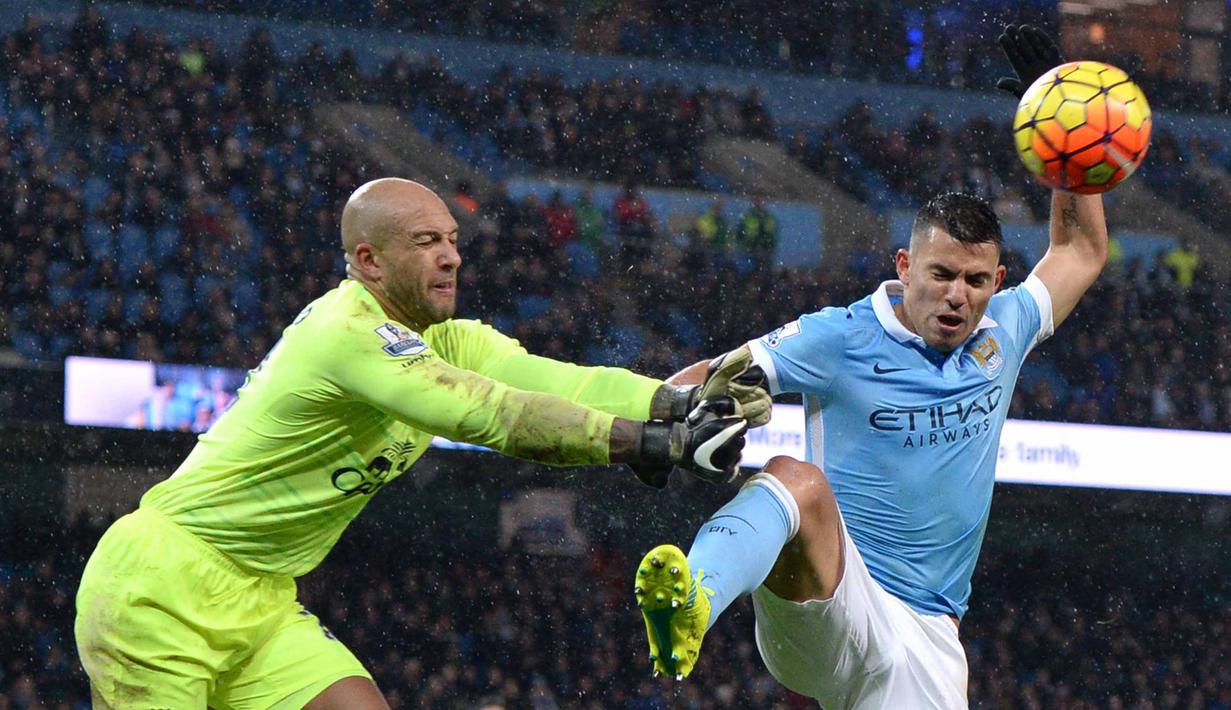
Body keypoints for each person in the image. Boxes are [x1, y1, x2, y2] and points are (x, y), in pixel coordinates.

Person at [74, 178, 765, 709]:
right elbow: (493, 415)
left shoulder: (445, 339)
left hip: (260, 596)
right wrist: (654, 445)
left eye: (453, 239)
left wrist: (676, 403)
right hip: (159, 588)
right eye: (426, 242)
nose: (451, 256)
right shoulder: (344, 334)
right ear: (368, 261)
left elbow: (556, 381)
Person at [633, 26, 1107, 707]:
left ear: (996, 279)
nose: (956, 295)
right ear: (904, 267)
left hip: (929, 638)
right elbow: (722, 372)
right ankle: (691, 605)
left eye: (975, 281)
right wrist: (646, 420)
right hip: (837, 596)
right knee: (792, 480)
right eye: (941, 274)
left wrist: (1063, 128)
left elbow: (1080, 250)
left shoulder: (1005, 327)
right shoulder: (841, 336)